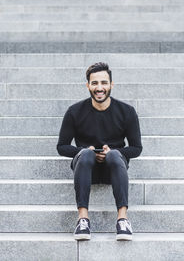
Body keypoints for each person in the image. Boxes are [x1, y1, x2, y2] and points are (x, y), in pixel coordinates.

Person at [57, 62, 142, 241]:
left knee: (113, 154)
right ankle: (83, 220)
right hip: (85, 167)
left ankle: (123, 220)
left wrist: (114, 151)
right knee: (86, 154)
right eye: (94, 83)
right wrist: (83, 150)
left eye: (104, 83)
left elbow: (136, 148)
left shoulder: (127, 112)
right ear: (88, 85)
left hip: (114, 168)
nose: (99, 88)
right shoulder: (74, 111)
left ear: (111, 84)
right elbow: (62, 146)